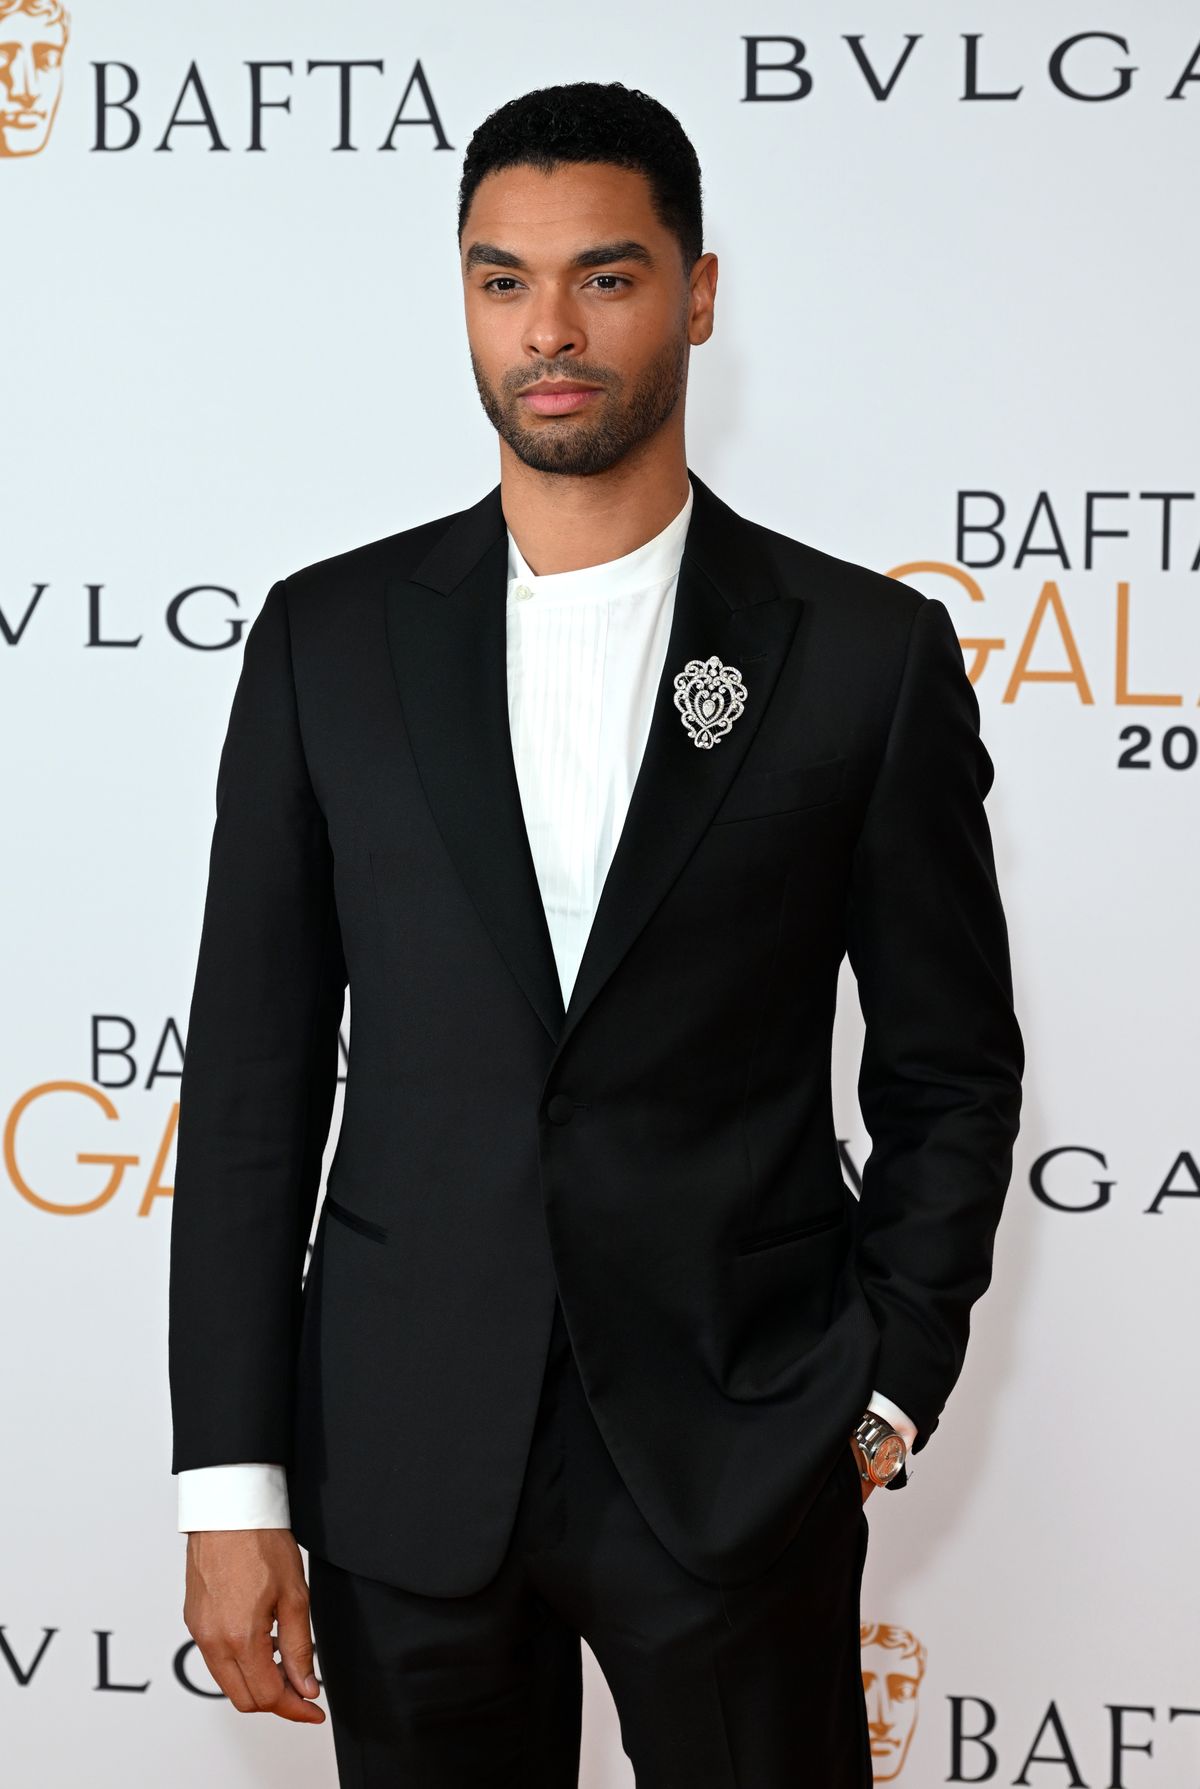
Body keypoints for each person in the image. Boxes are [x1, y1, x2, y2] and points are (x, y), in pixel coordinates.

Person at [168, 80, 1024, 1787]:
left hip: (739, 1450)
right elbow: (257, 1081)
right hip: (406, 1462)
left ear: (699, 293)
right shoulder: (326, 644)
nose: (547, 329)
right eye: (502, 280)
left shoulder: (861, 656)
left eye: (605, 277)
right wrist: (232, 1483)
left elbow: (951, 1065)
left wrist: (885, 1386)